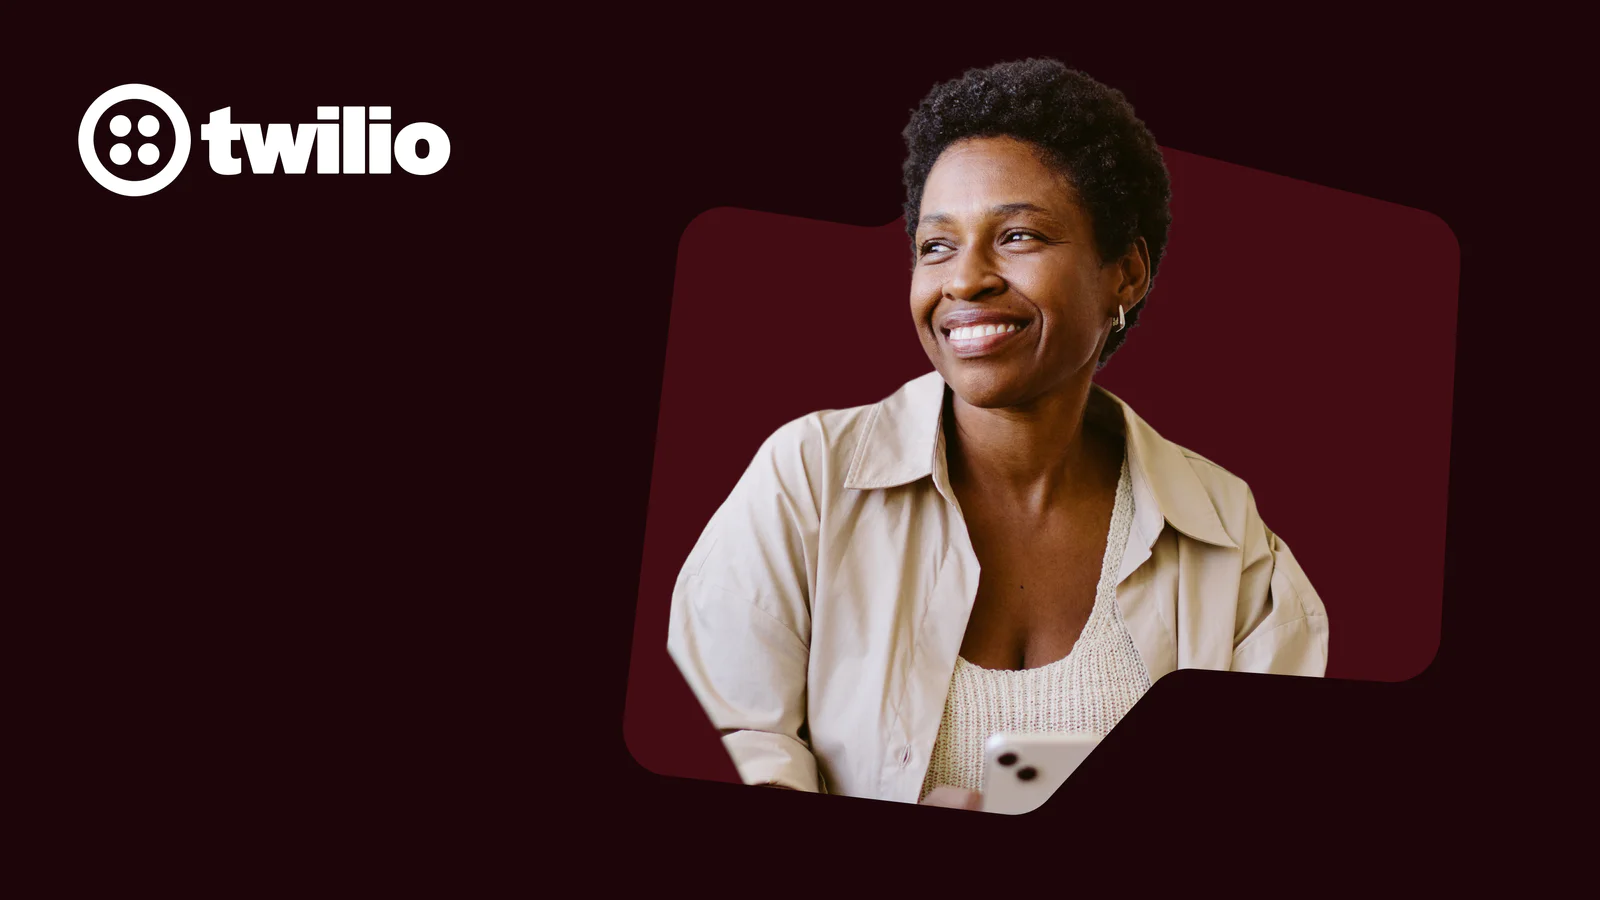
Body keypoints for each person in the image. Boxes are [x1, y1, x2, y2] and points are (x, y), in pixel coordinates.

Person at [666, 58, 1329, 809]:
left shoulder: (1228, 535)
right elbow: (721, 745)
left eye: (1018, 235)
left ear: (1127, 274)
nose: (964, 279)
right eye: (936, 245)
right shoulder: (808, 479)